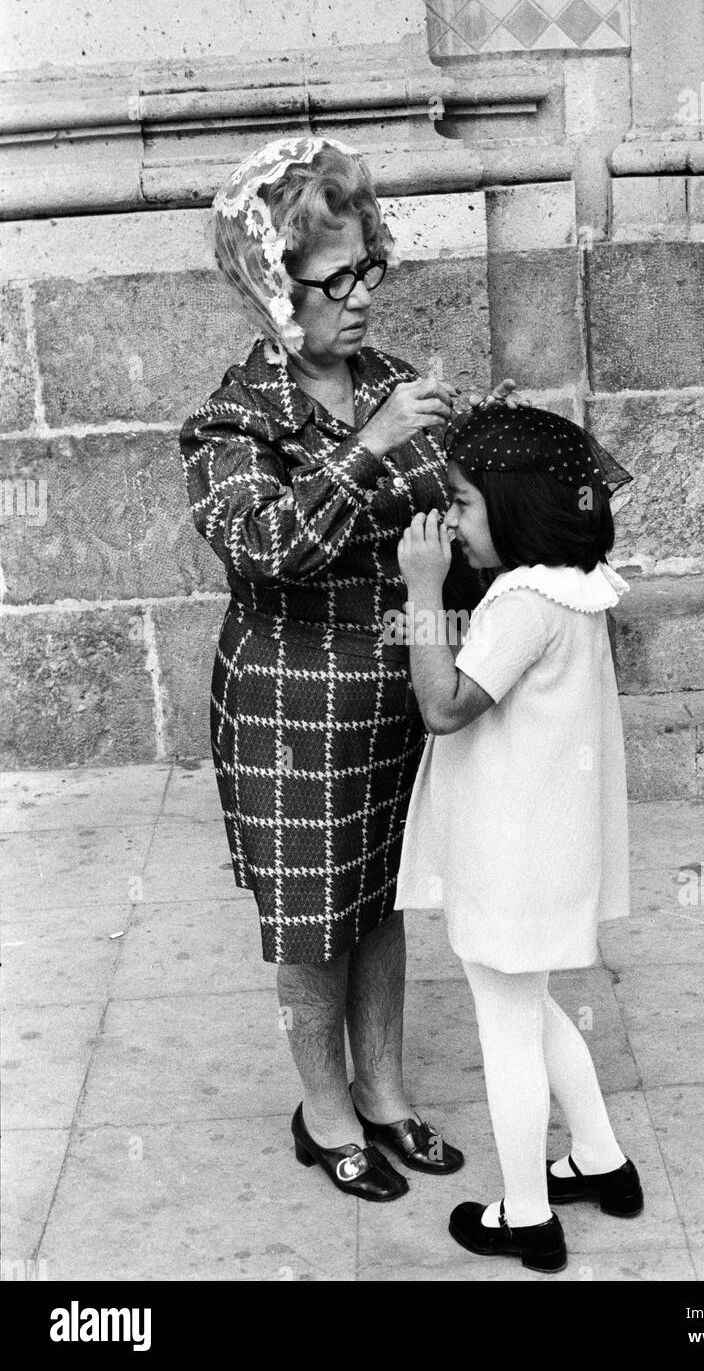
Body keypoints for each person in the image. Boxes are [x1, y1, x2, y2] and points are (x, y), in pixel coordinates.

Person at [179, 134, 521, 1204]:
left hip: (395, 702)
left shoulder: (398, 382)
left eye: (371, 265)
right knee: (312, 920)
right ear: (274, 288)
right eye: (337, 278)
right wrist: (370, 447)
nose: (363, 296)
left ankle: (384, 1091)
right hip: (290, 712)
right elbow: (270, 546)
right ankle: (321, 1110)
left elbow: (456, 534)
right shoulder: (232, 420)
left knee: (383, 903)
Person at [393, 402, 641, 1271]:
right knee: (526, 1006)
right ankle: (601, 1160)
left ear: (513, 503)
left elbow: (444, 708)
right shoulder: (575, 583)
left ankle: (525, 1216)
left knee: (503, 1028)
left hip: (509, 856)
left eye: (461, 503)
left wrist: (422, 590)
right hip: (543, 844)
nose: (451, 522)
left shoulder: (524, 606)